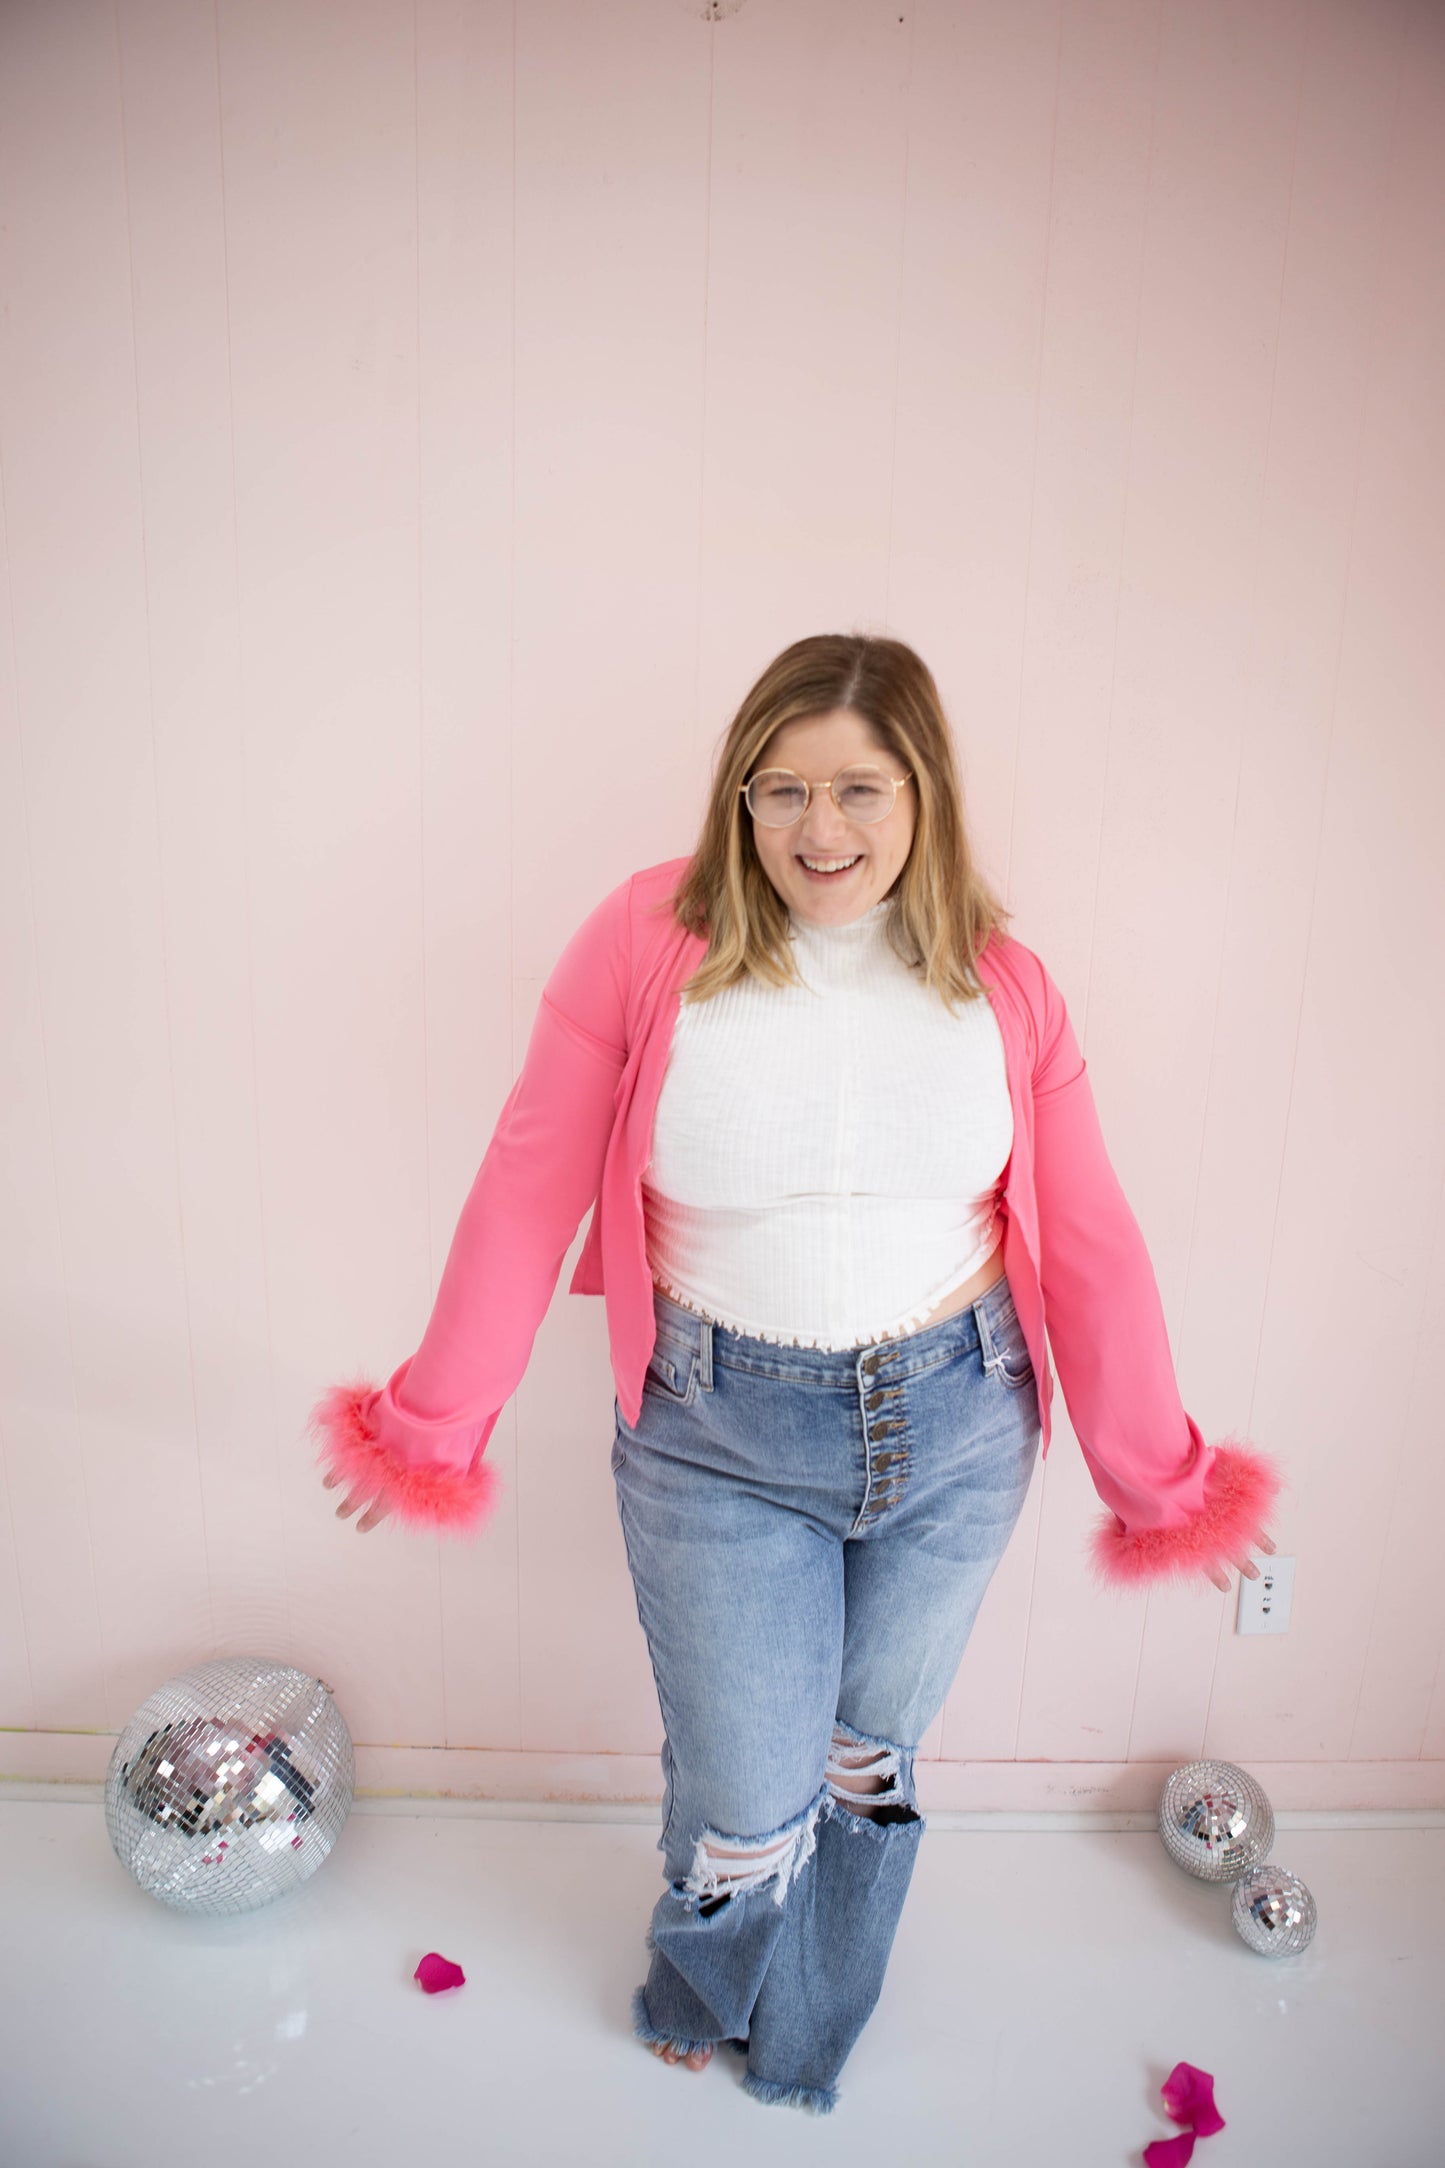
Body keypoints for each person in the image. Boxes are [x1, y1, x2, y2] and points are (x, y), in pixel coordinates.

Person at [311, 631, 1283, 2115]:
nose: (815, 832)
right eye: (778, 791)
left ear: (923, 795)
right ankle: (705, 1976)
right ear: (736, 799)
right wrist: (428, 1424)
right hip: (716, 1433)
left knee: (866, 1764)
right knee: (749, 1787)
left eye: (857, 790)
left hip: (959, 1426)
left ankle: (806, 2040)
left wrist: (1165, 1481)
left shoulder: (1003, 985)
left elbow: (1085, 1240)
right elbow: (528, 1184)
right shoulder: (646, 940)